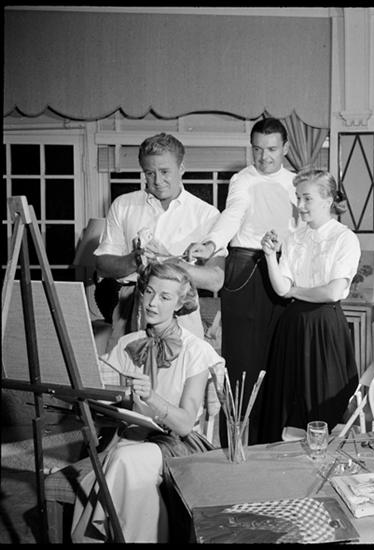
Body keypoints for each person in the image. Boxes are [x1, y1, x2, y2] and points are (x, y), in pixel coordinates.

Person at [71, 263, 225, 543]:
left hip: (178, 444)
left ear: (180, 304)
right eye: (149, 292)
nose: (153, 303)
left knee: (124, 460)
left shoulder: (196, 350)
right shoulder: (128, 343)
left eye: (165, 297)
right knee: (124, 460)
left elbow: (184, 424)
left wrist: (151, 396)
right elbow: (102, 395)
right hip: (131, 437)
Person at [186, 118, 297, 445]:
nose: (264, 157)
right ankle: (234, 447)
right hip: (245, 268)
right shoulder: (243, 179)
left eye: (272, 149)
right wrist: (210, 244)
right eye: (258, 149)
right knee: (242, 368)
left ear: (286, 148)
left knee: (279, 364)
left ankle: (271, 448)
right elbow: (232, 214)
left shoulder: (297, 183)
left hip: (284, 269)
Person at [94, 132, 226, 356]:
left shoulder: (206, 214)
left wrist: (169, 263)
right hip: (130, 308)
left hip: (183, 313)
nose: (157, 180)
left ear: (181, 168)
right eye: (149, 173)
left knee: (180, 376)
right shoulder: (123, 205)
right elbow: (102, 265)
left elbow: (215, 280)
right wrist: (135, 260)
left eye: (165, 172)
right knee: (125, 374)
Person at [256, 169, 360, 444]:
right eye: (298, 198)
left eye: (307, 199)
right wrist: (270, 256)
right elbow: (281, 289)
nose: (300, 205)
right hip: (292, 328)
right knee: (287, 404)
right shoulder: (294, 238)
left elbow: (333, 292)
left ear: (328, 200)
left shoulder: (345, 238)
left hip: (326, 328)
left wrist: (295, 291)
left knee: (323, 403)